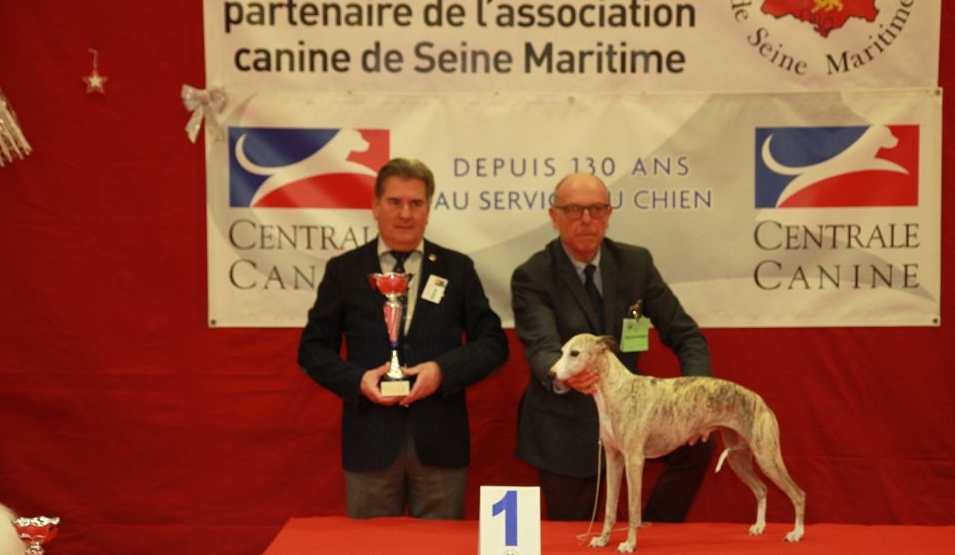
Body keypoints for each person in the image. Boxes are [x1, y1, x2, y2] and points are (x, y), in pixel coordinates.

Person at [299, 157, 508, 520]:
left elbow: (492, 342)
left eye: (416, 203)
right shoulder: (345, 271)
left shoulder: (456, 269)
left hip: (440, 441)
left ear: (429, 209)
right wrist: (357, 380)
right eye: (395, 202)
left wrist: (443, 371)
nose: (406, 214)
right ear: (375, 207)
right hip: (371, 441)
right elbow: (313, 349)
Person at [511, 172, 713, 522]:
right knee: (576, 546)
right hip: (566, 425)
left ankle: (653, 527)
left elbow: (687, 335)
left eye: (596, 209)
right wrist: (564, 378)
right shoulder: (533, 274)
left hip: (634, 414)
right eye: (574, 210)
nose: (586, 220)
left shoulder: (636, 263)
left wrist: (698, 396)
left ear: (609, 214)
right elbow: (542, 346)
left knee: (701, 440)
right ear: (554, 215)